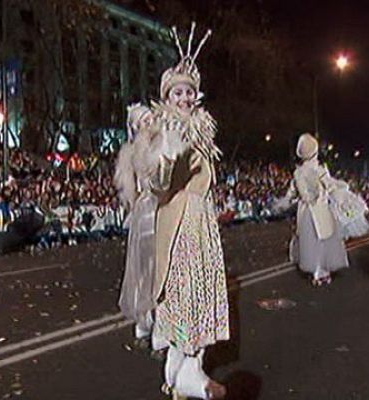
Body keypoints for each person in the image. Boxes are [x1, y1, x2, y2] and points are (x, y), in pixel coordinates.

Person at [151, 23, 228, 400]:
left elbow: (206, 175)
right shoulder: (161, 128)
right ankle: (189, 377)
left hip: (201, 219)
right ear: (167, 96)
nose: (184, 98)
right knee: (184, 295)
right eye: (177, 92)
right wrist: (166, 154)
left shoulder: (202, 127)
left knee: (200, 293)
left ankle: (178, 374)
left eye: (189, 92)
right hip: (179, 220)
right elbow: (158, 184)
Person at [115, 102, 163, 356]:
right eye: (144, 121)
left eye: (150, 119)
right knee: (146, 273)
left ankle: (157, 330)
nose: (149, 123)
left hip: (159, 211)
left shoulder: (162, 144)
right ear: (136, 127)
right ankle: (146, 327)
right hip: (146, 215)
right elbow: (131, 189)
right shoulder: (135, 152)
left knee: (160, 273)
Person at [274, 133, 350, 286]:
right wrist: (342, 190)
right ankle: (322, 272)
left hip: (305, 212)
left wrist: (281, 205)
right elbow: (330, 185)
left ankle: (317, 273)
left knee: (311, 244)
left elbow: (291, 194)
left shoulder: (297, 173)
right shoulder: (320, 169)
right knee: (323, 241)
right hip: (320, 209)